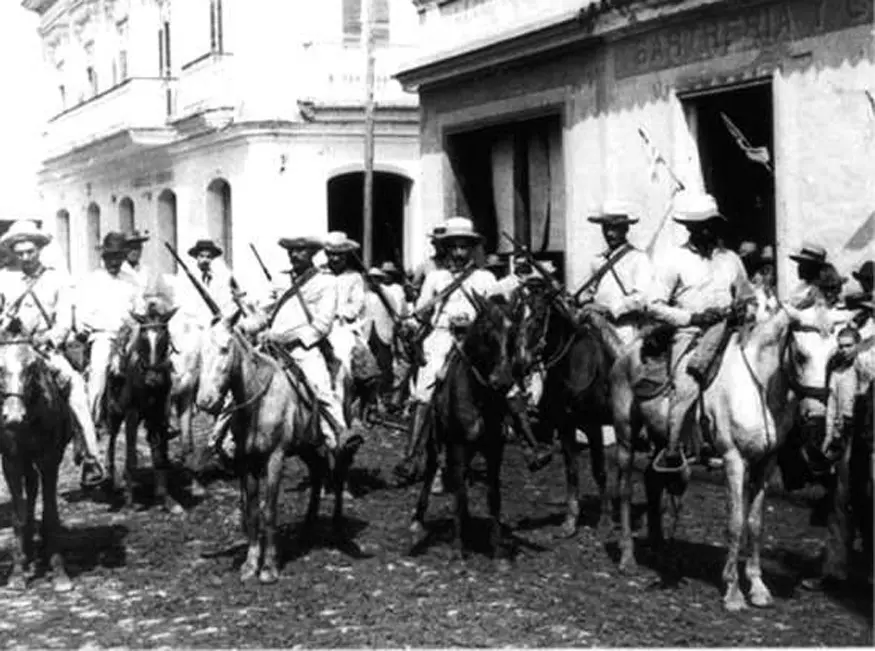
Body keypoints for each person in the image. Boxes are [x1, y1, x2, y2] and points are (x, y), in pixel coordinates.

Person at [648, 192, 755, 471]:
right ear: (690, 229)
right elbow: (654, 305)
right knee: (687, 383)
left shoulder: (731, 259)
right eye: (700, 226)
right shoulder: (674, 259)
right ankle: (673, 448)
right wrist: (692, 316)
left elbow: (747, 296)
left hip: (731, 332)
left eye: (711, 225)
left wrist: (746, 310)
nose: (707, 231)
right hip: (691, 335)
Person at [240, 234, 363, 470]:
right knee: (240, 382)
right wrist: (247, 326)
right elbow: (266, 313)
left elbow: (322, 324)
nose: (294, 255)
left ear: (312, 254)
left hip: (303, 351)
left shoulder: (325, 282)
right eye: (291, 251)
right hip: (269, 349)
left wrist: (287, 337)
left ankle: (338, 433)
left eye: (301, 251)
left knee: (322, 389)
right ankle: (226, 437)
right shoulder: (280, 280)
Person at [0, 220, 106, 488]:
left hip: (44, 349)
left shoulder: (57, 279)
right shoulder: (6, 281)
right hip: (12, 348)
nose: (25, 257)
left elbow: (63, 322)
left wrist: (49, 338)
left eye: (30, 251)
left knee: (76, 387)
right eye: (20, 252)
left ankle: (92, 457)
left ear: (39, 250)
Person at [75, 232, 144, 438]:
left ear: (124, 257)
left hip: (129, 335)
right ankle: (94, 420)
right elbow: (82, 314)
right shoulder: (92, 280)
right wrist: (91, 327)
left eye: (118, 257)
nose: (114, 261)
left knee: (151, 365)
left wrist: (131, 329)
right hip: (103, 335)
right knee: (98, 370)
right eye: (110, 257)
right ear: (103, 258)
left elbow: (138, 310)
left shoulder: (132, 281)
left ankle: (157, 418)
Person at [578, 201, 659, 345]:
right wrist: (585, 302)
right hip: (596, 326)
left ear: (625, 229)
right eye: (606, 228)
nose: (609, 233)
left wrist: (608, 309)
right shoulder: (598, 261)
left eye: (615, 228)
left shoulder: (638, 259)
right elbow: (586, 292)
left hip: (625, 329)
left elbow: (641, 298)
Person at [323, 231, 369, 385]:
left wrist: (339, 313)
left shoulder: (354, 277)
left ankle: (367, 398)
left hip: (343, 325)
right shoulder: (319, 274)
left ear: (346, 255)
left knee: (359, 361)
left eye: (339, 255)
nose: (335, 258)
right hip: (319, 323)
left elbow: (357, 304)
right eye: (331, 254)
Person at [363, 263, 406, 407]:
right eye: (371, 278)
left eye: (377, 278)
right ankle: (371, 399)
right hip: (368, 333)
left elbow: (396, 314)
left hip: (384, 334)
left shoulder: (388, 294)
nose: (374, 281)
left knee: (385, 366)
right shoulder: (366, 296)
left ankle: (385, 397)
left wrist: (393, 332)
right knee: (369, 365)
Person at [789, 243, 829, 308]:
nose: (799, 267)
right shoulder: (803, 285)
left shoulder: (818, 289)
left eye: (804, 264)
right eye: (800, 263)